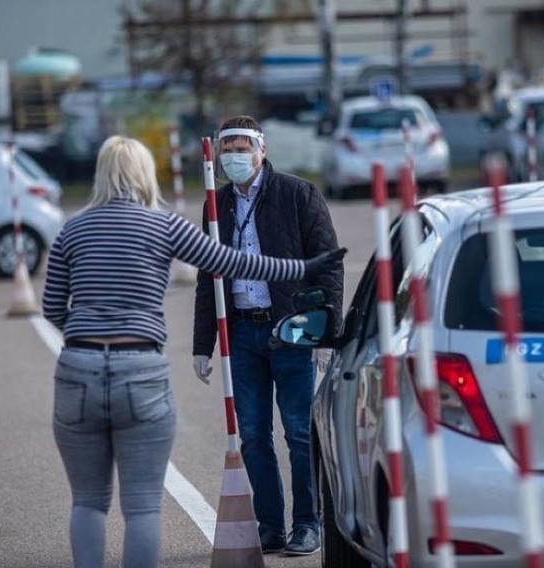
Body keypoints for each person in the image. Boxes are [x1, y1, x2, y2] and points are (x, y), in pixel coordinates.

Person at [42, 135, 345, 568]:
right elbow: (229, 264)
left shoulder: (72, 228)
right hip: (141, 365)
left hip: (78, 366)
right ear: (145, 174)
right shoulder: (164, 225)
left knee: (88, 500)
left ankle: (302, 523)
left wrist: (88, 335)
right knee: (144, 504)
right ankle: (273, 524)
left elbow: (53, 305)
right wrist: (297, 269)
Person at [192, 116, 344, 556]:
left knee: (299, 432)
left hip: (292, 330)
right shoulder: (215, 203)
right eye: (229, 148)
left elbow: (327, 264)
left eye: (244, 146)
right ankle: (271, 526)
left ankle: (308, 523)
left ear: (262, 149)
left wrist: (326, 332)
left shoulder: (298, 194)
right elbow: (208, 276)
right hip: (242, 333)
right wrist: (203, 345)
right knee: (254, 435)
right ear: (219, 156)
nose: (236, 155)